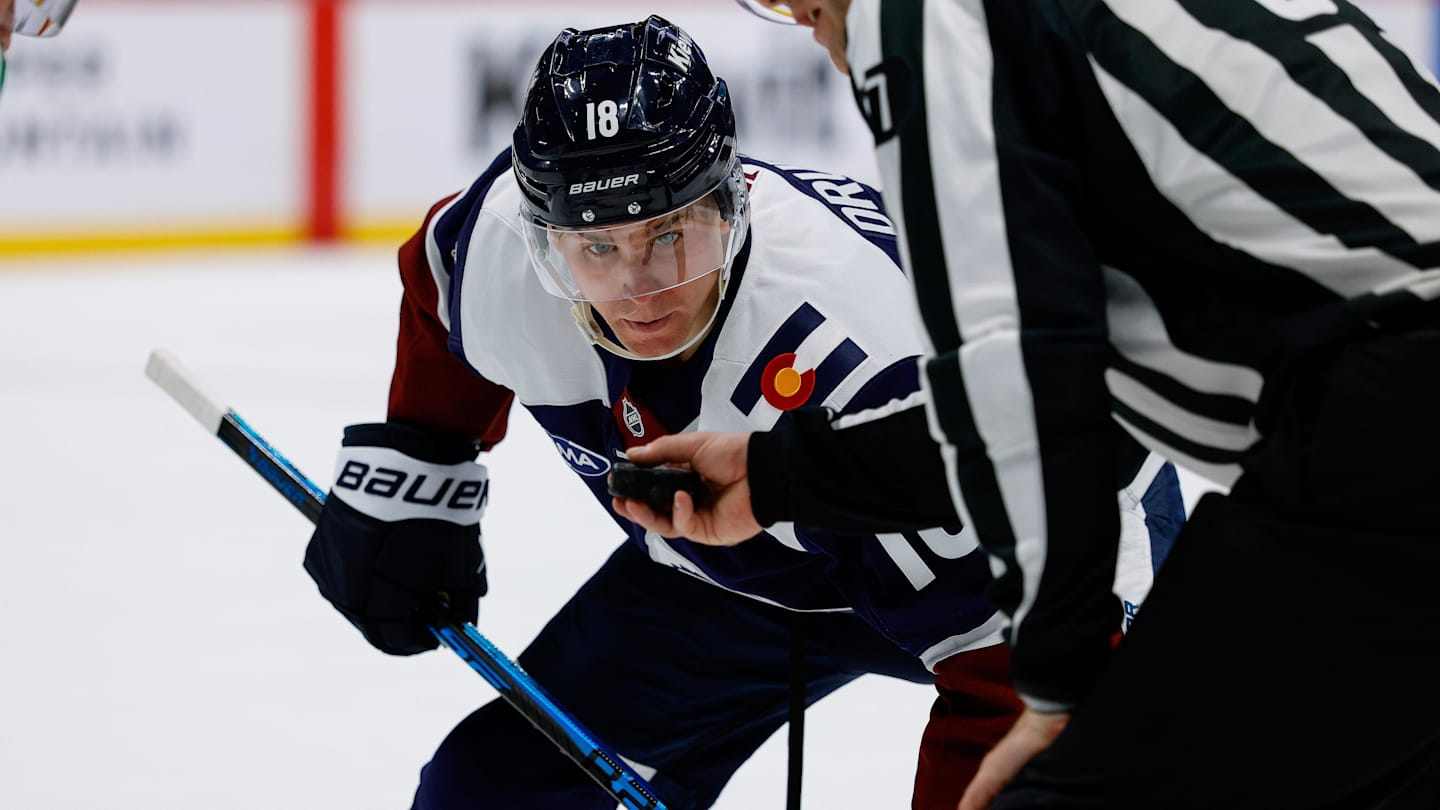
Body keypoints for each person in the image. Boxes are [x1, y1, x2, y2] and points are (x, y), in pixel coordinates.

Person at [299, 15, 1184, 810]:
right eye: (597, 246)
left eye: (669, 235)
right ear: (546, 235)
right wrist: (424, 459)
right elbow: (437, 280)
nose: (637, 290)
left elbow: (1023, 661)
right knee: (490, 797)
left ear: (734, 201)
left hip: (1046, 560)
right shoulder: (498, 248)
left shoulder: (851, 359)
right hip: (737, 559)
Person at [617, 1, 1440, 808]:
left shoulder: (930, 18)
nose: (794, 14)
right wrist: (777, 479)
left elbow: (1034, 374)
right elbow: (1088, 400)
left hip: (1382, 438)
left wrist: (1059, 684)